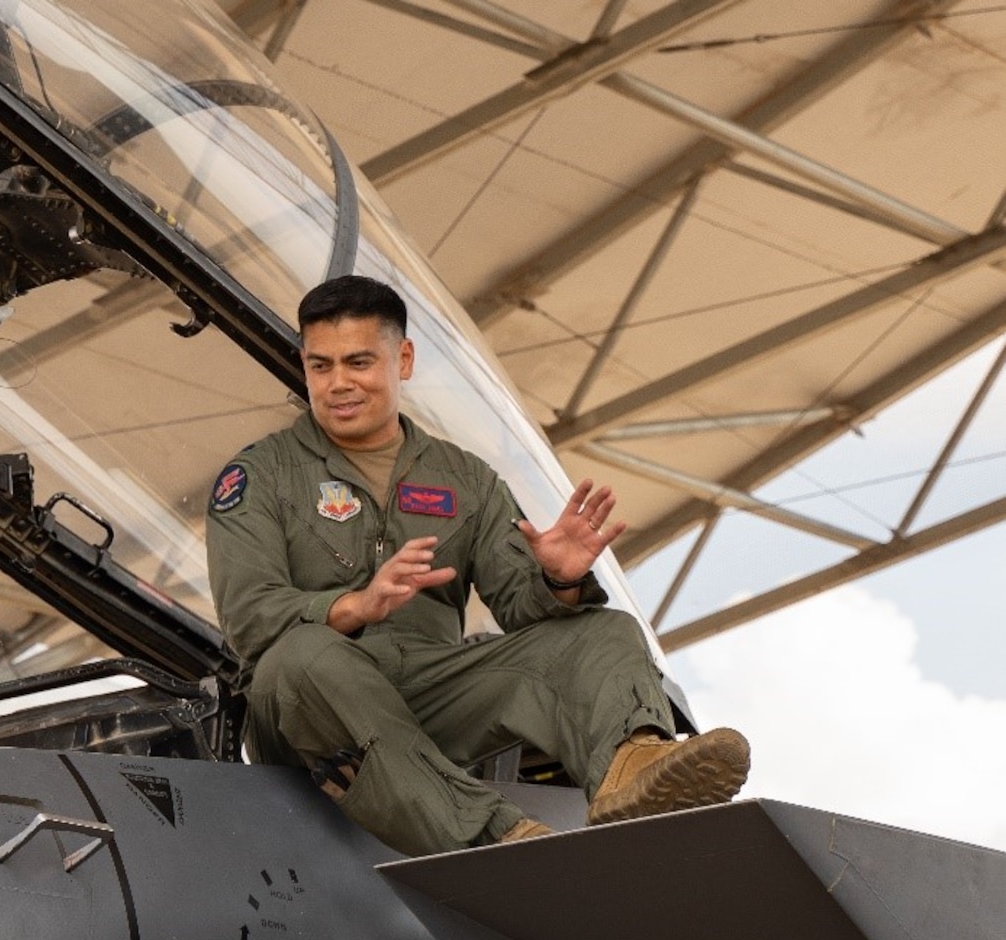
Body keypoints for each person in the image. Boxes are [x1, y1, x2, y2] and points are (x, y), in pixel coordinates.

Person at [205, 275, 748, 856]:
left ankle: (633, 764)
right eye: (321, 366)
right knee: (300, 656)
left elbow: (521, 607)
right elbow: (249, 619)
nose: (338, 384)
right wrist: (355, 606)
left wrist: (557, 577)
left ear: (403, 359)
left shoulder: (466, 480)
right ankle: (497, 837)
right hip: (305, 712)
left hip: (428, 692)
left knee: (605, 629)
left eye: (359, 362)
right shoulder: (260, 476)